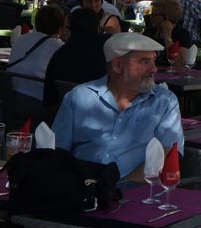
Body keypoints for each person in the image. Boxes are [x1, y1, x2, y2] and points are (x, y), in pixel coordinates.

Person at [53, 33, 183, 180]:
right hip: (80, 189)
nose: (154, 69)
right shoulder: (79, 97)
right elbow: (56, 151)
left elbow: (167, 154)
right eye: (144, 62)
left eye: (154, 61)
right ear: (118, 65)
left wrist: (118, 189)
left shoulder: (164, 102)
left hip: (133, 192)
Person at [42, 8, 109, 107]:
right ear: (98, 28)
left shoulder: (59, 55)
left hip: (66, 112)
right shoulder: (108, 48)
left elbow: (49, 99)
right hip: (104, 110)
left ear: (70, 29)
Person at [6, 4, 66, 101]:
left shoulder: (22, 38)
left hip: (9, 97)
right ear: (60, 28)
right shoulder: (57, 45)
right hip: (36, 100)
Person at [142, 0, 193, 67]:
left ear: (166, 17)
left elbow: (179, 64)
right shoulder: (150, 32)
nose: (151, 18)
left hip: (171, 75)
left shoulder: (182, 34)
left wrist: (168, 38)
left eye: (154, 15)